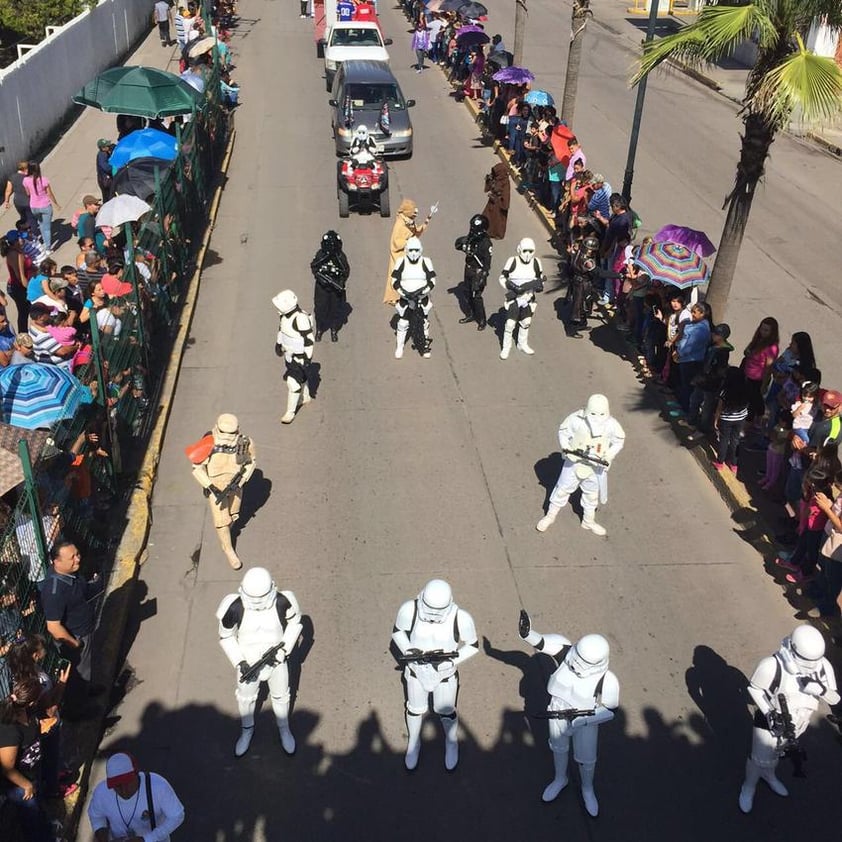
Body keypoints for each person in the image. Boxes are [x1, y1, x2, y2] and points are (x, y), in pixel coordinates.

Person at [518, 610, 619, 816]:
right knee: (558, 748)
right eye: (578, 657)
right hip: (556, 710)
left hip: (585, 720)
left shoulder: (607, 680)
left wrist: (583, 721)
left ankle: (587, 789)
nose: (578, 664)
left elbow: (610, 710)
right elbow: (541, 642)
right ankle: (559, 778)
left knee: (586, 759)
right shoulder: (565, 651)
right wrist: (527, 632)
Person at [738, 625, 839, 813]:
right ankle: (748, 786)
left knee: (777, 754)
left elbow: (835, 699)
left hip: (800, 722)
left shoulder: (823, 667)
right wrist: (769, 712)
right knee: (758, 757)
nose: (810, 665)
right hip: (770, 721)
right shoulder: (772, 665)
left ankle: (769, 775)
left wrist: (821, 689)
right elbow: (754, 688)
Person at [391, 579, 478, 770]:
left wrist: (450, 661)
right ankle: (414, 742)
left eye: (437, 612)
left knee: (446, 710)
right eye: (429, 609)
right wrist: (409, 651)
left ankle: (451, 741)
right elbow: (398, 632)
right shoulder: (410, 609)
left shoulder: (460, 618)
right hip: (416, 670)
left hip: (445, 674)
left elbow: (473, 645)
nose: (432, 615)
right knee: (415, 708)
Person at [217, 567, 303, 756]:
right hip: (248, 662)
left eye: (261, 598)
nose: (257, 603)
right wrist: (239, 661)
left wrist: (284, 650)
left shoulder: (283, 601)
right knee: (245, 699)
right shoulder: (234, 607)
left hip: (276, 661)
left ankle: (284, 728)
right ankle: (246, 730)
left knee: (281, 697)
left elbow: (295, 624)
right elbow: (226, 636)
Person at [537, 394, 626, 536]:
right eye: (594, 413)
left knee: (591, 495)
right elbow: (563, 432)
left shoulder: (611, 425)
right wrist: (567, 449)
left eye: (601, 413)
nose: (597, 417)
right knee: (562, 490)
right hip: (574, 463)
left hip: (596, 466)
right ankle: (550, 516)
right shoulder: (576, 419)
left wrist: (608, 455)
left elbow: (619, 441)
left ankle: (588, 521)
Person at [40, 542, 103, 712]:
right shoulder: (54, 591)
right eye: (72, 557)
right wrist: (74, 644)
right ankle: (78, 711)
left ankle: (87, 691)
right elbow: (53, 626)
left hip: (84, 630)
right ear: (56, 562)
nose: (78, 559)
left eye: (77, 554)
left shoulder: (71, 575)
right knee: (78, 676)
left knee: (86, 668)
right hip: (76, 637)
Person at [189, 413, 257, 570]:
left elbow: (251, 462)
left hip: (235, 484)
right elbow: (197, 468)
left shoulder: (245, 442)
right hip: (216, 487)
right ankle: (228, 549)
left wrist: (241, 480)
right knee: (221, 522)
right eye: (224, 433)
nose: (227, 437)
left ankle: (226, 535)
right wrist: (210, 486)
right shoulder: (208, 443)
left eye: (231, 433)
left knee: (233, 515)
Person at [0, 676, 55, 842]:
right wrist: (27, 785)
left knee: (37, 810)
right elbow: (7, 768)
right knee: (32, 819)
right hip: (19, 784)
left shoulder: (28, 711)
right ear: (31, 702)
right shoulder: (10, 730)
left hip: (32, 772)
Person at [88, 752, 185, 840]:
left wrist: (147, 839)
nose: (124, 791)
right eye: (117, 786)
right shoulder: (101, 792)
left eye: (127, 783)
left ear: (136, 773)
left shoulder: (158, 786)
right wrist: (103, 838)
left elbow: (177, 815)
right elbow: (96, 816)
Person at [498, 237, 545, 359]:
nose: (528, 254)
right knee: (510, 324)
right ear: (519, 250)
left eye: (531, 251)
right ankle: (506, 347)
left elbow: (540, 279)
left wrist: (538, 287)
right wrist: (513, 287)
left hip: (528, 297)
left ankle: (522, 344)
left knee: (526, 322)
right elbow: (502, 278)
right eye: (525, 251)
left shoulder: (536, 263)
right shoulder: (512, 261)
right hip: (515, 297)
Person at [272, 290, 315, 423]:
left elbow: (308, 340)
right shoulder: (283, 316)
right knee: (300, 376)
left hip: (300, 356)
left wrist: (307, 358)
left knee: (293, 384)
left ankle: (290, 412)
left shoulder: (300, 318)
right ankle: (306, 395)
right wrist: (278, 344)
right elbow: (282, 330)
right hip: (288, 354)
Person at [391, 236, 436, 359]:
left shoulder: (426, 261)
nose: (413, 253)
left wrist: (421, 293)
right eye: (411, 250)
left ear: (420, 249)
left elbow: (432, 281)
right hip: (406, 299)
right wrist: (404, 293)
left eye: (416, 250)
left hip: (421, 298)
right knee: (403, 323)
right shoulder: (401, 261)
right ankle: (399, 347)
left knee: (424, 322)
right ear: (406, 250)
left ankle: (424, 346)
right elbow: (394, 281)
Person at [383, 199, 434, 305]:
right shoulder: (400, 225)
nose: (415, 211)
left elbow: (416, 233)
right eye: (412, 210)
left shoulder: (409, 222)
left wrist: (428, 218)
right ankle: (394, 298)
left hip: (409, 254)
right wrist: (408, 242)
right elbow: (396, 243)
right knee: (397, 277)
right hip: (399, 255)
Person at [454, 214, 492, 331]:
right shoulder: (471, 237)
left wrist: (483, 276)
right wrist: (462, 245)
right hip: (469, 268)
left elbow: (487, 263)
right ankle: (471, 314)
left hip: (478, 272)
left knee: (476, 296)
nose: (472, 231)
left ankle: (482, 319)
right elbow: (459, 244)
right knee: (467, 293)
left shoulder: (486, 243)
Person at [311, 230, 350, 342]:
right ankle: (319, 330)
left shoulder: (341, 257)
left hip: (335, 289)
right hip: (321, 288)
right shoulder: (320, 254)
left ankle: (334, 330)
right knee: (320, 309)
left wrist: (340, 282)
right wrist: (321, 279)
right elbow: (314, 267)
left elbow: (346, 271)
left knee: (335, 310)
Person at [22, 162, 59, 254]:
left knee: (41, 224)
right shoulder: (44, 180)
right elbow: (49, 193)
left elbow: (28, 193)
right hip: (45, 206)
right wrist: (56, 204)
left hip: (34, 206)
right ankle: (48, 248)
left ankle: (44, 243)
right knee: (46, 227)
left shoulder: (25, 180)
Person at [3, 161, 36, 229]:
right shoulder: (29, 177)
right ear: (25, 169)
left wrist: (7, 201)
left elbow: (8, 191)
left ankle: (25, 231)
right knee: (32, 218)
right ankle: (34, 233)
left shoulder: (12, 177)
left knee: (23, 217)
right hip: (29, 202)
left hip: (18, 202)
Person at [482, 163, 510, 239]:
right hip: (492, 202)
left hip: (498, 206)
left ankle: (495, 233)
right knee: (486, 216)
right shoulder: (497, 179)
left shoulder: (505, 183)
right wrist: (489, 180)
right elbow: (487, 189)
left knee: (497, 220)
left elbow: (506, 201)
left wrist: (498, 200)